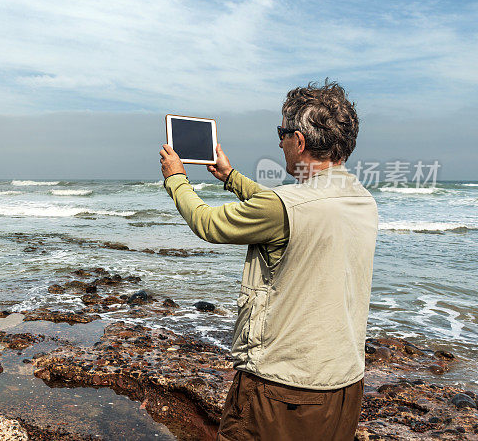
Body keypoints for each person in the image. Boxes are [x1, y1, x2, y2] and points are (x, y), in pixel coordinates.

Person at [159, 80, 377, 441]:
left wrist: (176, 179)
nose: (279, 142)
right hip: (344, 386)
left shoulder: (284, 206)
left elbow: (208, 224)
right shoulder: (362, 200)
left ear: (300, 141)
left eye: (282, 132)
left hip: (281, 389)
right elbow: (292, 210)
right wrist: (232, 178)